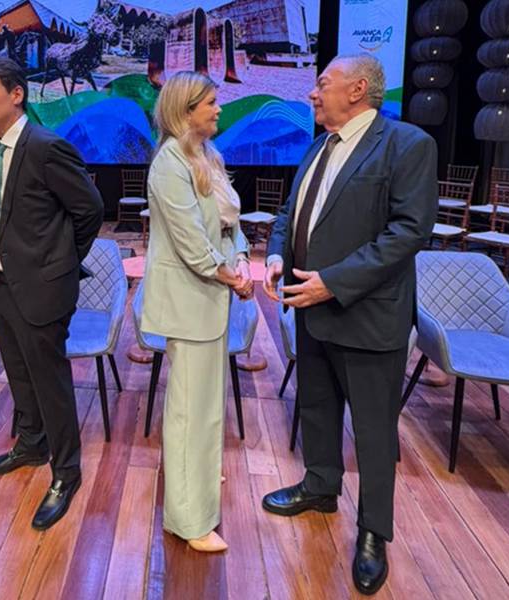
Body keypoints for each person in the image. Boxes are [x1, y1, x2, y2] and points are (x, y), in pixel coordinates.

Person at [261, 54, 437, 594]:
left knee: (373, 430)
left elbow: (408, 232)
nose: (312, 93)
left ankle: (372, 533)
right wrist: (276, 254)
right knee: (316, 407)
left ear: (357, 90)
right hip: (311, 309)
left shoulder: (407, 144)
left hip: (367, 316)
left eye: (322, 83)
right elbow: (289, 213)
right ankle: (320, 487)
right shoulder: (318, 146)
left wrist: (333, 282)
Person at [0, 56, 103, 530]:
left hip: (42, 288)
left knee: (51, 383)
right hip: (2, 283)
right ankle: (31, 444)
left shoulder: (47, 147)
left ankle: (66, 472)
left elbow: (90, 209)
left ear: (16, 94)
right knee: (20, 375)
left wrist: (58, 264)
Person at [141, 71, 253, 553]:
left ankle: (198, 485)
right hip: (190, 302)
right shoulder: (170, 164)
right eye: (210, 102)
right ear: (185, 111)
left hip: (211, 298)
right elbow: (192, 243)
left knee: (207, 409)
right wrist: (233, 277)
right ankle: (188, 521)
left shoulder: (207, 156)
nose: (219, 109)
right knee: (190, 413)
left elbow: (229, 225)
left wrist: (242, 259)